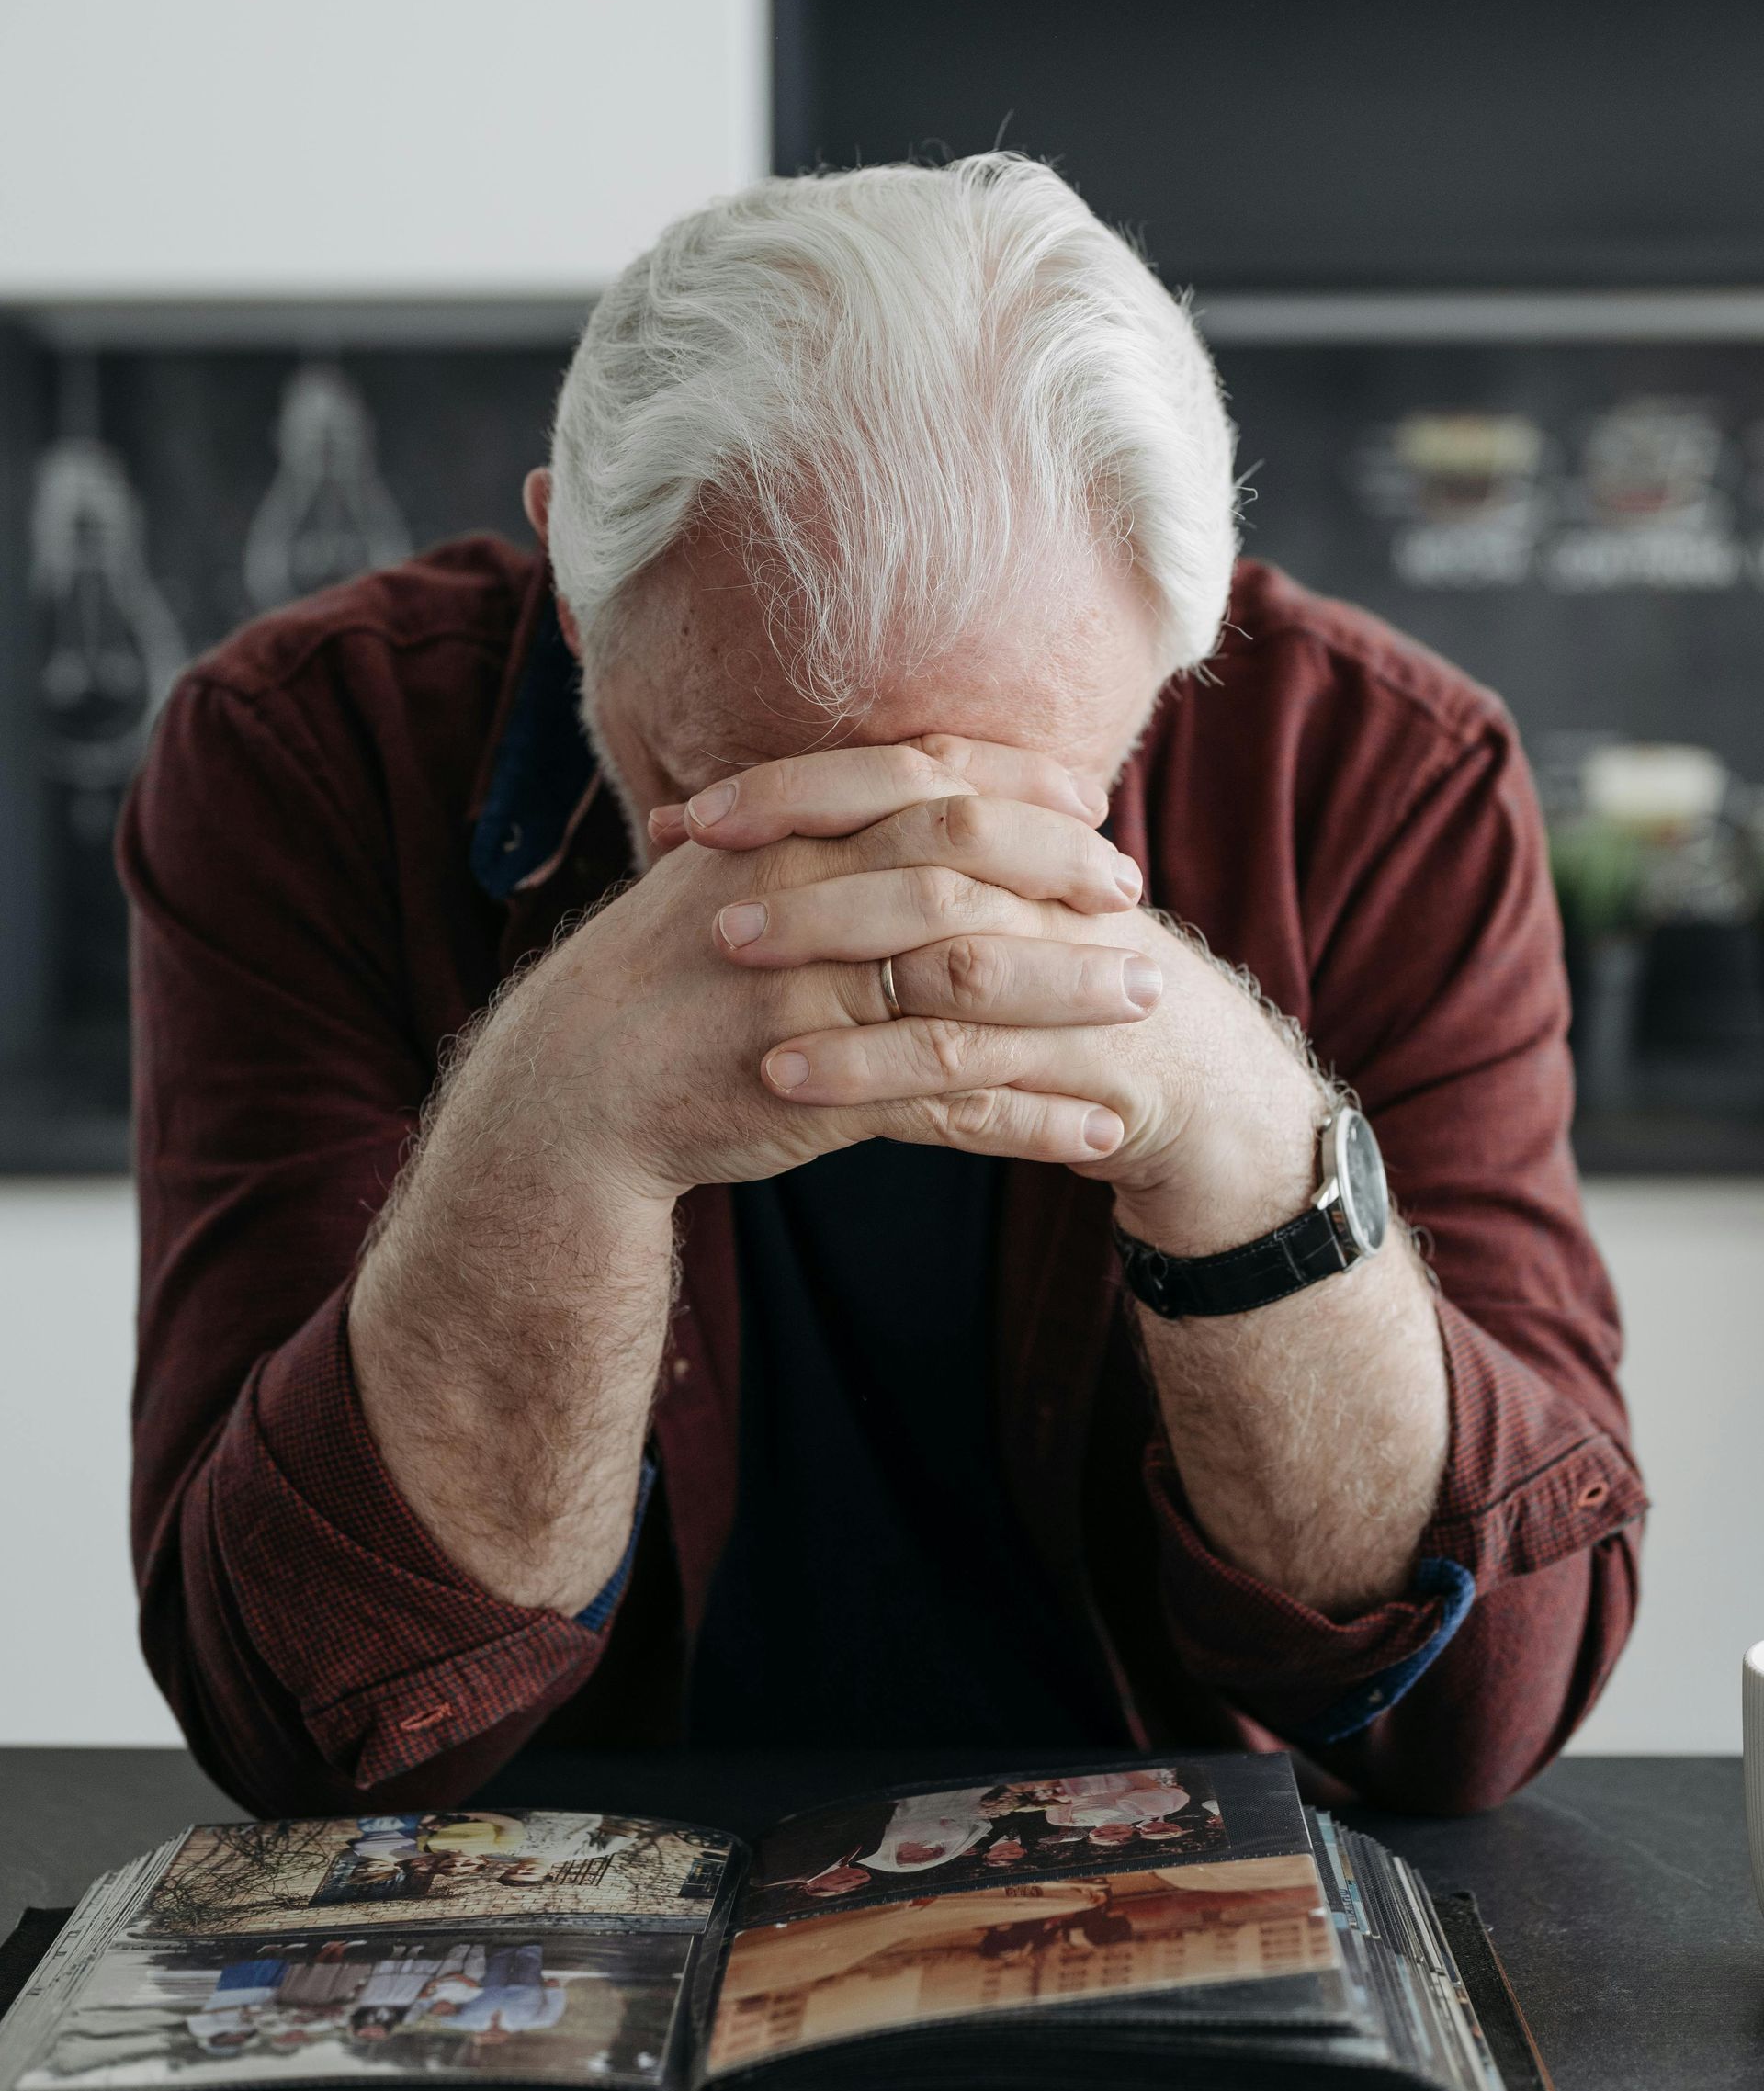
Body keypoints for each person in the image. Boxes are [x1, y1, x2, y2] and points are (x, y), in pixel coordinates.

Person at [122, 155, 1644, 1821]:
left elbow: (1481, 1702)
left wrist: (1244, 1145)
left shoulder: (1383, 774)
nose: (888, 904)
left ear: (1171, 648)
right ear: (578, 586)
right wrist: (552, 1123)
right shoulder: (306, 756)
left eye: (1010, 811)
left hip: (1169, 1926)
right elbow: (290, 1701)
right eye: (759, 817)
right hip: (555, 1924)